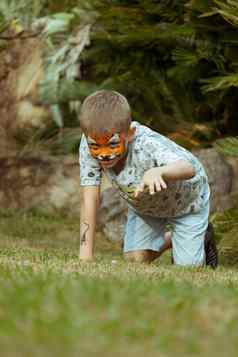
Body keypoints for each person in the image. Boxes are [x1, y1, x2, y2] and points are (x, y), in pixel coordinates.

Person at [79, 90, 218, 268]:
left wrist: (158, 172)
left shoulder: (147, 144)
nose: (104, 154)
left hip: (187, 203)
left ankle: (200, 236)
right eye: (96, 146)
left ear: (130, 133)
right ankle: (176, 239)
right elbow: (90, 198)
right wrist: (85, 255)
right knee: (135, 260)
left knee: (188, 268)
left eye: (113, 144)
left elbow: (188, 168)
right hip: (147, 206)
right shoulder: (90, 142)